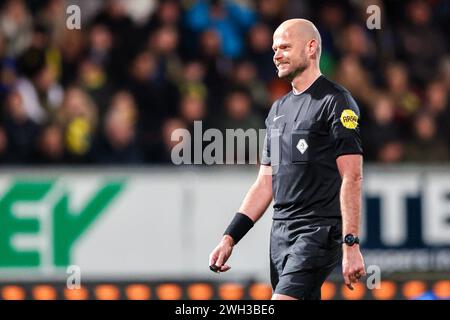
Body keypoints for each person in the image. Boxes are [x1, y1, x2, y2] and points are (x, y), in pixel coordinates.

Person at [208, 19, 366, 300]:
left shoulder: (335, 102)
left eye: (284, 47)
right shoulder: (278, 109)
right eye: (273, 49)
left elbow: (352, 176)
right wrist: (229, 237)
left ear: (311, 47)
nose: (276, 54)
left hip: (317, 230)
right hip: (280, 233)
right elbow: (265, 183)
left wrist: (351, 244)